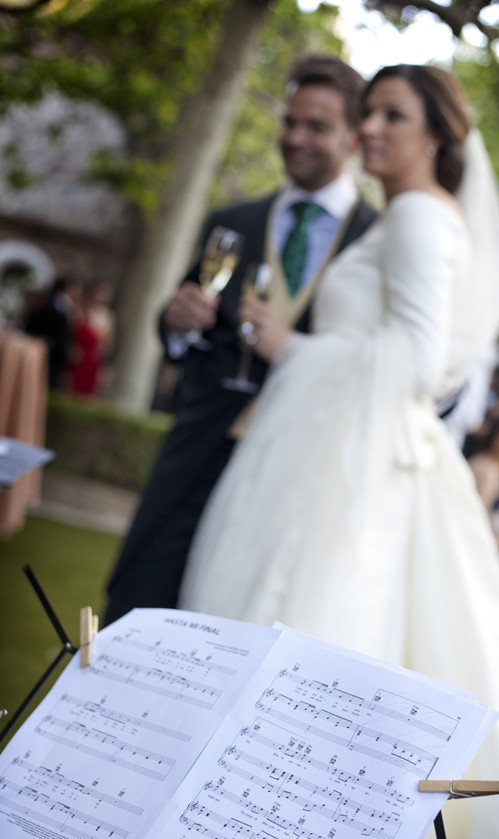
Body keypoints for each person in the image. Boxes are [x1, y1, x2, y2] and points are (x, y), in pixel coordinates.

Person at [179, 65, 499, 839]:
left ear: (438, 134)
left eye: (391, 116)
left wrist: (289, 348)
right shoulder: (415, 216)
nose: (370, 128)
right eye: (365, 112)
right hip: (339, 444)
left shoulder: (413, 217)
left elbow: (413, 362)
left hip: (348, 461)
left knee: (306, 625)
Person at [103, 54, 377, 626]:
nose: (295, 137)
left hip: (293, 476)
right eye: (290, 122)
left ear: (354, 138)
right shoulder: (233, 222)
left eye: (316, 127)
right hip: (196, 456)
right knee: (137, 610)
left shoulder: (376, 241)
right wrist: (175, 323)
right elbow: (176, 320)